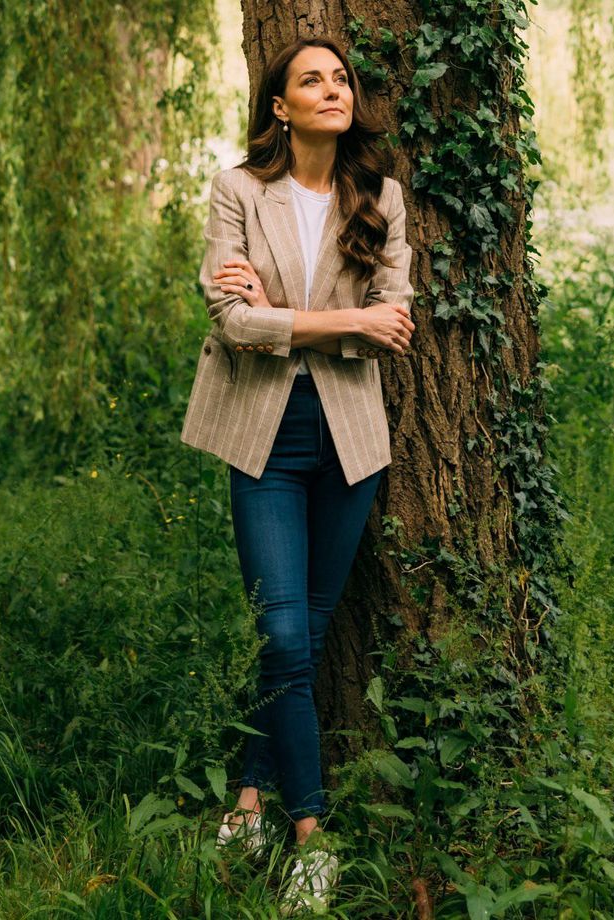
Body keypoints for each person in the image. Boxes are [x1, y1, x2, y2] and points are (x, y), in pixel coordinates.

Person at [178, 34, 415, 914]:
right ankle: (311, 834)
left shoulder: (379, 197)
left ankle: (247, 798)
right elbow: (234, 323)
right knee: (280, 633)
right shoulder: (240, 190)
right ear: (279, 105)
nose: (332, 89)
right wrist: (328, 322)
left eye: (340, 78)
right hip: (262, 432)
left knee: (304, 632)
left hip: (351, 435)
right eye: (311, 80)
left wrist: (285, 314)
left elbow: (395, 319)